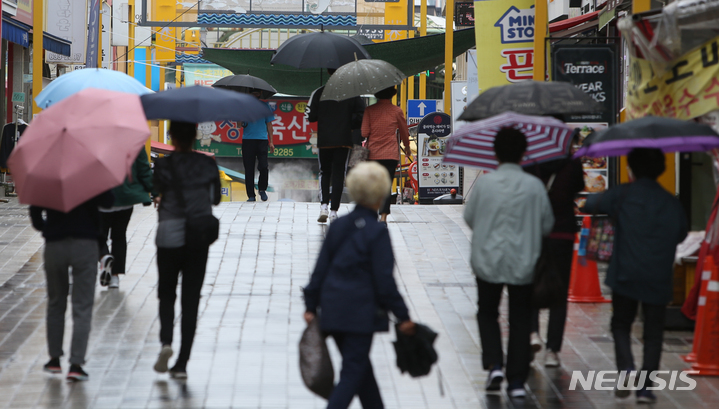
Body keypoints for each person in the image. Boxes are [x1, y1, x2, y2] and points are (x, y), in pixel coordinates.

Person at [303, 161, 416, 409]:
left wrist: (311, 305)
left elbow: (320, 269)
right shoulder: (377, 231)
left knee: (361, 369)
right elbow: (384, 280)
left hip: (332, 310)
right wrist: (403, 316)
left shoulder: (339, 226)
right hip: (361, 313)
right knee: (354, 371)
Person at [583, 148, 687, 404]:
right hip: (658, 275)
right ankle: (645, 389)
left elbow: (589, 204)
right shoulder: (670, 201)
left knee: (621, 324)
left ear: (631, 168)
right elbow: (682, 233)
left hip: (625, 272)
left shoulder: (622, 194)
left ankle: (627, 368)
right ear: (661, 170)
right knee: (653, 333)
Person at [463, 127, 554, 398]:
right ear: (524, 153)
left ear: (495, 153)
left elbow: (469, 218)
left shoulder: (486, 184)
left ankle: (494, 365)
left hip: (487, 259)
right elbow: (547, 224)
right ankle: (516, 381)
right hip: (524, 261)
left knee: (487, 312)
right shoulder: (534, 186)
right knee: (520, 318)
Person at [152, 121, 221, 379]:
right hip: (197, 238)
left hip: (168, 236)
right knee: (191, 298)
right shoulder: (207, 163)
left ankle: (166, 342)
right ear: (195, 136)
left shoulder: (163, 165)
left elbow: (157, 191)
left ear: (172, 137)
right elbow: (215, 199)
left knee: (167, 293)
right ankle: (181, 364)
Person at [31, 191, 114, 381]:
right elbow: (108, 202)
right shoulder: (89, 175)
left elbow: (35, 215)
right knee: (82, 306)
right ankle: (76, 364)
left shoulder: (48, 176)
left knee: (56, 302)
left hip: (55, 244)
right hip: (86, 242)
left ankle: (54, 360)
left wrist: (48, 227)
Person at [527, 140, 585, 367]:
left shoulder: (532, 162)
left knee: (530, 282)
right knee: (559, 290)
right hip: (562, 232)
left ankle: (532, 333)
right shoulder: (572, 162)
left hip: (534, 231)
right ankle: (552, 349)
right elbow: (579, 187)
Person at [307, 70, 365, 223]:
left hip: (325, 139)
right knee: (339, 173)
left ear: (328, 72)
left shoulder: (319, 92)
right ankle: (334, 212)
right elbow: (361, 114)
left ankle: (324, 206)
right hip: (343, 139)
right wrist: (349, 125)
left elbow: (310, 116)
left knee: (324, 172)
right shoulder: (352, 93)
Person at [98, 148, 154, 289]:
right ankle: (115, 277)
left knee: (97, 235)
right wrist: (154, 191)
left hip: (101, 197)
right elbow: (144, 170)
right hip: (126, 197)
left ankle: (104, 257)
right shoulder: (134, 141)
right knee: (119, 236)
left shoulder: (95, 138)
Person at [361, 87, 413, 223]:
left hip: (373, 154)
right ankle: (383, 216)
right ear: (391, 95)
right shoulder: (396, 111)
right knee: (386, 184)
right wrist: (407, 147)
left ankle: (372, 212)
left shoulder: (369, 110)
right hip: (390, 154)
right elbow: (403, 131)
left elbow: (364, 132)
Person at [242, 90, 275, 202]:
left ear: (260, 93)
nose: (256, 94)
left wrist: (271, 141)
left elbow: (269, 124)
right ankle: (251, 195)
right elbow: (238, 124)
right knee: (249, 168)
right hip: (248, 140)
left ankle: (262, 189)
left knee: (264, 166)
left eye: (258, 92)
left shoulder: (265, 106)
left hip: (262, 140)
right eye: (253, 92)